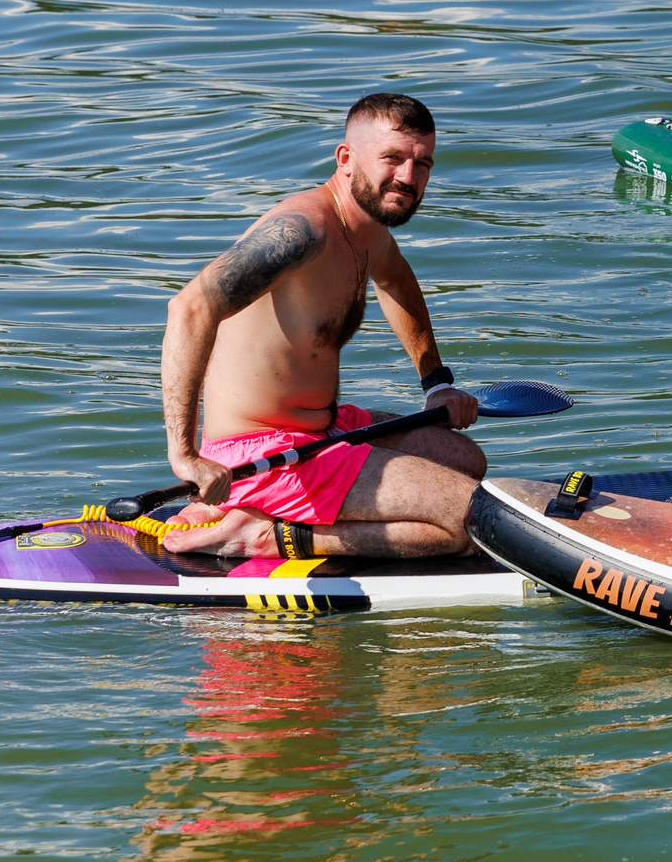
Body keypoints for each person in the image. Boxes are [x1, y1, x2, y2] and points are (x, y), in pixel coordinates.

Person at [154, 93, 486, 560]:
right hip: (260, 455)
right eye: (392, 158)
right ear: (346, 159)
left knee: (467, 460)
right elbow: (190, 308)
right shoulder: (302, 232)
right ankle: (262, 535)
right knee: (472, 520)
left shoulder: (368, 229)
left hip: (321, 430)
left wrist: (437, 384)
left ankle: (255, 512)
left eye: (423, 163)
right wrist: (185, 455)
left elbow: (396, 281)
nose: (409, 177)